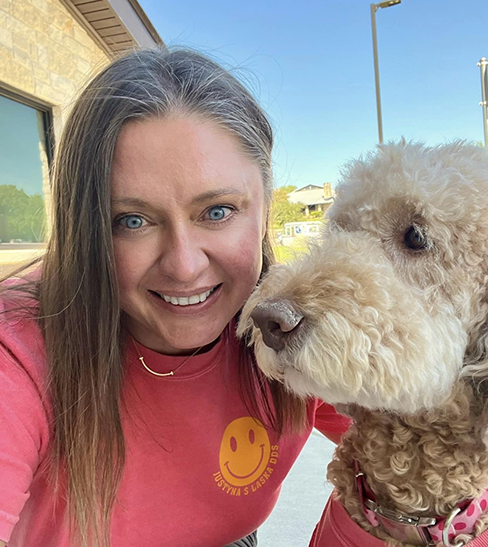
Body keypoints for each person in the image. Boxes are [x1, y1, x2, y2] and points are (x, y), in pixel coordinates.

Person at [0, 48, 350, 547]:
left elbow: (440, 478)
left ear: (264, 208)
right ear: (87, 229)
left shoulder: (296, 326)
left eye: (217, 211)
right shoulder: (18, 351)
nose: (184, 265)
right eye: (132, 221)